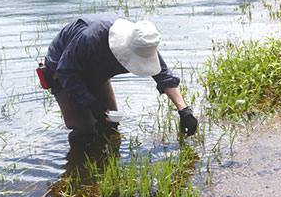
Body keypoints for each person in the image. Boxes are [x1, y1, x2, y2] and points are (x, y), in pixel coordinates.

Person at [42, 13, 198, 142]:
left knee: (110, 123)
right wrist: (93, 104)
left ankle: (105, 163)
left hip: (96, 70)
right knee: (84, 127)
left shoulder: (143, 40)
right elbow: (66, 72)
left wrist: (184, 111)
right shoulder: (91, 38)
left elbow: (164, 76)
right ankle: (77, 170)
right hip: (63, 71)